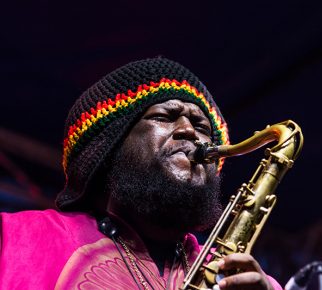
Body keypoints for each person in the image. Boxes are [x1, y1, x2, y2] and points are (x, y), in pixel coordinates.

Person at [0, 57, 282, 290]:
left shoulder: (246, 279)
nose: (189, 131)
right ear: (108, 146)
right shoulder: (13, 239)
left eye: (202, 126)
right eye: (163, 117)